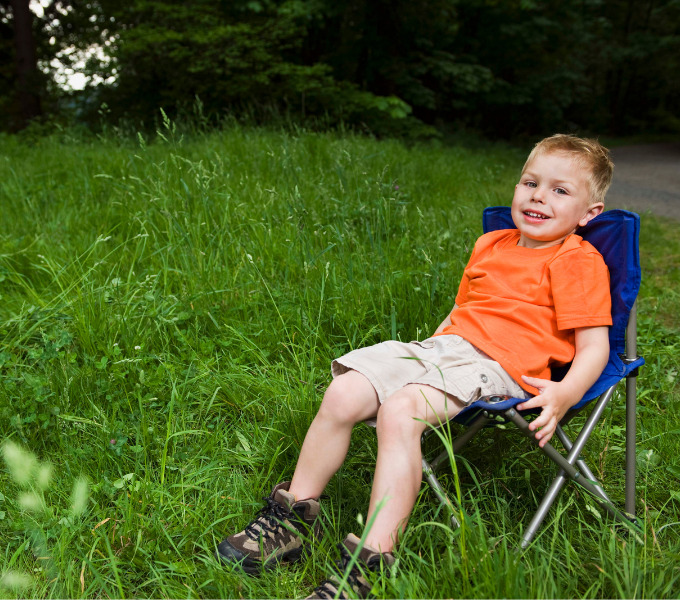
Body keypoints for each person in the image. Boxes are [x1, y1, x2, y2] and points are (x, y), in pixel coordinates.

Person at [217, 134, 614, 598]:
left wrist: (566, 393)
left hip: (500, 366)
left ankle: (369, 564)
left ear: (590, 214)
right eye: (531, 182)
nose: (538, 196)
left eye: (560, 191)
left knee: (400, 411)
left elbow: (594, 348)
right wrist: (424, 354)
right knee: (343, 391)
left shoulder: (576, 261)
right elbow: (460, 311)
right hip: (443, 349)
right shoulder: (491, 243)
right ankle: (291, 520)